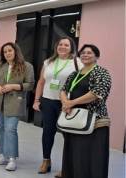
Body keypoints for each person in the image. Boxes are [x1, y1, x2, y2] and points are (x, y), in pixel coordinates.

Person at [59, 44, 111, 178]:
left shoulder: (102, 73)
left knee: (91, 156)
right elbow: (63, 90)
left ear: (96, 56)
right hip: (74, 120)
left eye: (89, 53)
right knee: (74, 154)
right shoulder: (74, 74)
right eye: (83, 53)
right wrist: (65, 102)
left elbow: (96, 94)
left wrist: (72, 102)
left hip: (94, 122)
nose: (85, 55)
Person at [32, 37, 82, 174]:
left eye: (66, 45)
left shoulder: (77, 62)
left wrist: (73, 102)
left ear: (71, 47)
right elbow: (41, 82)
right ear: (56, 46)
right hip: (48, 101)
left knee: (67, 134)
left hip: (66, 103)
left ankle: (67, 166)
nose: (63, 47)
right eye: (60, 44)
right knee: (48, 132)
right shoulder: (48, 62)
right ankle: (46, 161)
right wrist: (37, 100)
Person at [0, 42, 35, 171]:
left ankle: (12, 158)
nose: (7, 53)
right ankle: (4, 155)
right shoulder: (0, 65)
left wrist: (14, 86)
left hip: (15, 102)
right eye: (5, 51)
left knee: (10, 130)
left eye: (10, 51)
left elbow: (30, 85)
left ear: (16, 51)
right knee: (1, 128)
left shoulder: (26, 66)